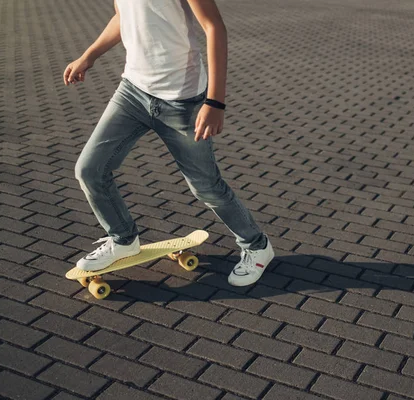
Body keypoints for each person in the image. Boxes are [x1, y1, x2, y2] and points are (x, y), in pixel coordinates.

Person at [63, 0, 273, 287]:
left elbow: (214, 27)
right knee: (89, 170)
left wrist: (215, 101)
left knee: (206, 187)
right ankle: (123, 239)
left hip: (183, 101)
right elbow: (123, 16)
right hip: (133, 93)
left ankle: (257, 245)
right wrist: (90, 55)